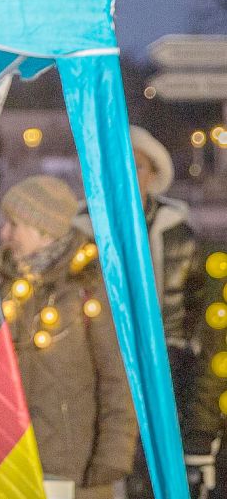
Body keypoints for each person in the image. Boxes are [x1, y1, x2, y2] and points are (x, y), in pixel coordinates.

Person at [76, 126, 210, 498]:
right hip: (105, 357)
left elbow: (197, 293)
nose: (129, 175)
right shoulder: (84, 229)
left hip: (166, 356)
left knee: (159, 457)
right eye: (120, 166)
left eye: (137, 166)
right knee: (113, 449)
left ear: (152, 174)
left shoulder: (177, 229)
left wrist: (188, 344)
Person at [0, 176, 137, 499]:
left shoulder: (91, 287)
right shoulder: (6, 284)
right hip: (12, 468)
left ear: (43, 231)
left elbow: (118, 377)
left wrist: (111, 459)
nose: (5, 235)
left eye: (14, 224)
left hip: (76, 473)